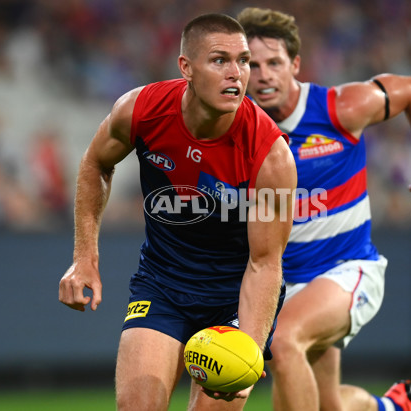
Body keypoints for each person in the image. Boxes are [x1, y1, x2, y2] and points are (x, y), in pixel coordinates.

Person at [58, 13, 297, 411]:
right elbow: (96, 164)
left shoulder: (270, 155)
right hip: (163, 286)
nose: (236, 73)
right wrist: (84, 256)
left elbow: (265, 263)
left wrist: (249, 352)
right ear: (186, 67)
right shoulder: (141, 109)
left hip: (234, 299)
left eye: (243, 61)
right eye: (220, 60)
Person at [237, 7, 411, 411]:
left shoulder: (337, 109)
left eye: (274, 63)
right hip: (286, 287)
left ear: (295, 64)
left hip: (347, 270)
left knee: (282, 341)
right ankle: (389, 406)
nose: (263, 75)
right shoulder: (238, 130)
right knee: (328, 403)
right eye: (253, 64)